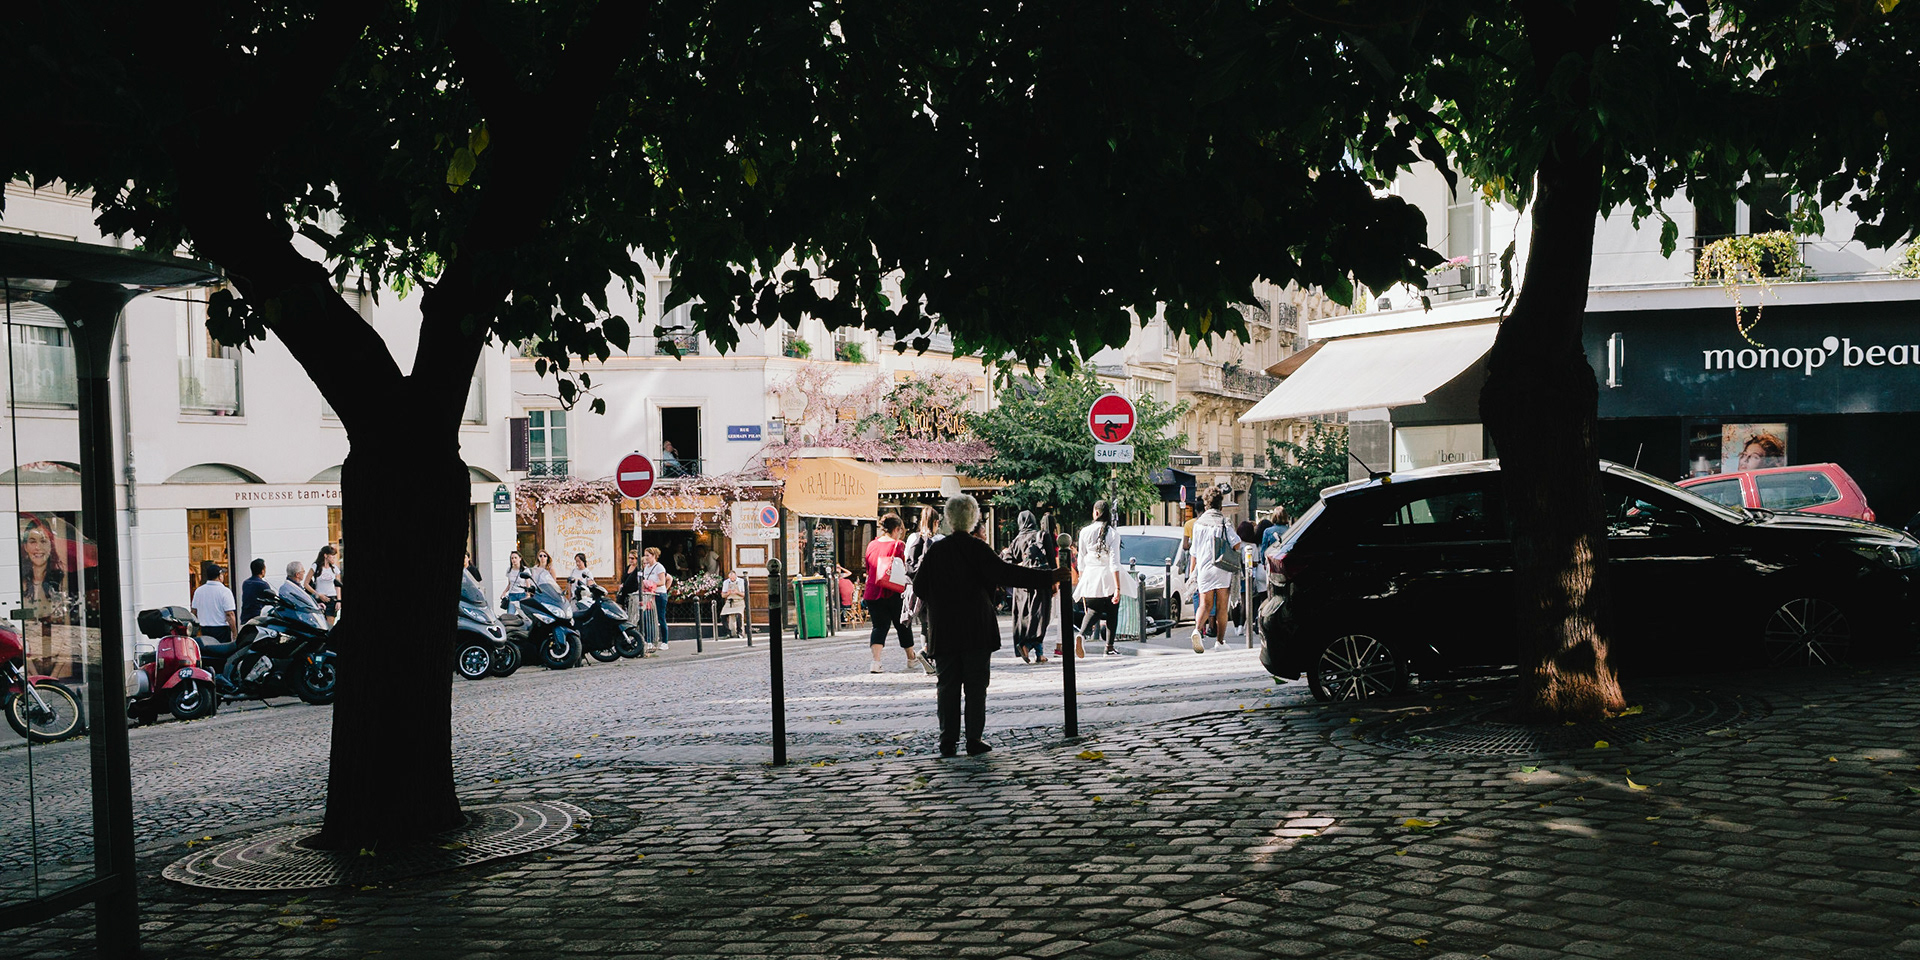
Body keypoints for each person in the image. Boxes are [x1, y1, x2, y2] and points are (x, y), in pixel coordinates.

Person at [912, 495, 1061, 757]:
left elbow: (919, 587)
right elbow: (1009, 573)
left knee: (947, 686)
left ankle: (947, 740)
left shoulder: (936, 551)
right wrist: (1049, 577)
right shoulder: (978, 549)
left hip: (945, 628)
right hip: (976, 627)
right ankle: (974, 739)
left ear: (948, 519)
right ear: (973, 519)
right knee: (976, 686)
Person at [862, 514, 923, 673]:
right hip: (893, 591)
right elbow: (903, 567)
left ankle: (876, 662)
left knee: (879, 627)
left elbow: (868, 568)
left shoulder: (871, 545)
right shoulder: (898, 545)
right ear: (896, 529)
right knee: (902, 624)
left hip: (873, 591)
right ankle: (911, 658)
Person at [1187, 486, 1244, 652]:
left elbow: (1193, 552)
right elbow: (1237, 543)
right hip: (1222, 567)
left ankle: (1197, 630)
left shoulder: (1198, 524)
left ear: (1206, 504)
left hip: (1204, 569)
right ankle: (1220, 642)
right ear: (1220, 505)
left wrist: (1192, 574)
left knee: (1204, 605)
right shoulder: (1224, 522)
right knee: (1222, 607)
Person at [1003, 510, 1054, 663]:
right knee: (1040, 617)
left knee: (1026, 619)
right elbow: (1051, 561)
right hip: (1040, 582)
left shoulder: (1016, 541)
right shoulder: (1042, 536)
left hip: (1021, 586)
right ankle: (1027, 645)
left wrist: (1021, 566)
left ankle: (1039, 654)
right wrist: (1055, 581)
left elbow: (1006, 563)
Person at [1073, 501, 1122, 658]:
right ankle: (1109, 647)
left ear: (1095, 513)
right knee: (1112, 612)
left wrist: (1082, 579)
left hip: (1090, 573)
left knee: (1093, 610)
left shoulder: (1084, 532)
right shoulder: (1113, 534)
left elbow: (1081, 558)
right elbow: (1114, 562)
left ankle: (1081, 634)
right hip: (1107, 575)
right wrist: (1118, 588)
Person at [901, 505, 944, 675]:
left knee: (924, 625)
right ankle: (928, 654)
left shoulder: (912, 538)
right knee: (938, 624)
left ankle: (928, 662)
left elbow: (907, 562)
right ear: (936, 522)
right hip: (935, 589)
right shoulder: (940, 539)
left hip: (916, 589)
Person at [192, 561, 239, 643]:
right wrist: (234, 632)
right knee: (222, 650)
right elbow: (229, 614)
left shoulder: (199, 591)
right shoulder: (225, 591)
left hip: (204, 629)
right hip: (221, 630)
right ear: (220, 576)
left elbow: (194, 612)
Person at [642, 546, 672, 653]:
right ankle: (649, 641)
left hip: (659, 594)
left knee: (660, 617)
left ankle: (665, 642)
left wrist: (651, 584)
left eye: (648, 555)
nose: (646, 557)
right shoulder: (646, 568)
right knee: (648, 617)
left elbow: (662, 581)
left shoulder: (659, 567)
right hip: (649, 595)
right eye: (645, 555)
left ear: (654, 556)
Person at [312, 544, 342, 626]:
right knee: (319, 623)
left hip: (331, 598)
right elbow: (306, 584)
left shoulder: (335, 569)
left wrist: (339, 600)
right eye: (332, 556)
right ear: (326, 556)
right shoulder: (316, 567)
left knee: (330, 624)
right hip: (319, 598)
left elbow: (337, 585)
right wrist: (318, 594)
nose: (334, 559)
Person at [239, 558, 273, 624]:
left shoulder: (246, 583)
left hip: (245, 618)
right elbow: (271, 600)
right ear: (262, 571)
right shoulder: (263, 584)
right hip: (258, 618)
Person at [720, 568, 747, 638]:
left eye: (733, 578)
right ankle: (728, 632)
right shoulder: (726, 582)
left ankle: (739, 632)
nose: (732, 579)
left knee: (739, 615)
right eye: (730, 578)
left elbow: (744, 595)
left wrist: (737, 592)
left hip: (739, 601)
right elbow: (723, 595)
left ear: (736, 576)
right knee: (722, 615)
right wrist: (727, 593)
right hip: (729, 602)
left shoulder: (741, 581)